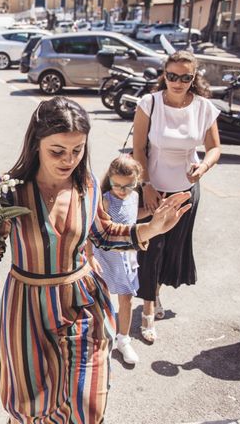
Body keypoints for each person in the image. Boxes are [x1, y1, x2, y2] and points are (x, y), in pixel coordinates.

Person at [0, 97, 192, 423]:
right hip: (27, 309)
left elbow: (104, 234)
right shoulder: (9, 191)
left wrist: (152, 227)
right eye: (57, 151)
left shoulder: (86, 184)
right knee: (33, 409)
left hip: (84, 303)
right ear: (36, 144)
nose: (69, 159)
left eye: (77, 150)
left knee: (88, 406)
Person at [133, 50, 221, 342]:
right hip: (153, 190)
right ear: (164, 75)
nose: (178, 82)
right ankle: (147, 311)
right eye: (172, 76)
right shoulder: (150, 103)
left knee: (170, 250)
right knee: (151, 250)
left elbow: (214, 148)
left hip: (185, 192)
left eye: (186, 77)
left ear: (193, 78)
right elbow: (137, 150)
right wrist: (145, 184)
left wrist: (204, 166)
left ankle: (155, 294)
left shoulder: (203, 107)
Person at [88, 156, 150, 365]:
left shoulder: (134, 196)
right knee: (100, 298)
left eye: (129, 185)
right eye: (117, 185)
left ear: (137, 180)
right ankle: (99, 338)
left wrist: (149, 213)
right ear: (110, 179)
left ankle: (123, 340)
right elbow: (92, 229)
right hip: (106, 257)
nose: (123, 190)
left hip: (128, 257)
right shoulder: (105, 199)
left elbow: (132, 216)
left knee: (127, 298)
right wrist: (88, 256)